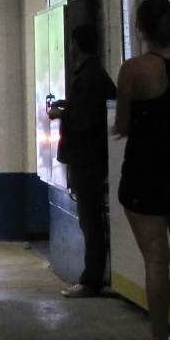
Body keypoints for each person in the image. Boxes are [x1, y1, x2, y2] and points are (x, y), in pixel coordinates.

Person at [114, 0, 170, 340]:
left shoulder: (133, 70)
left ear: (140, 30)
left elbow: (122, 125)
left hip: (146, 173)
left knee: (156, 259)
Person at [48, 24, 117, 298]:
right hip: (94, 159)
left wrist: (61, 115)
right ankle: (94, 276)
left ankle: (91, 280)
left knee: (90, 221)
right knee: (91, 219)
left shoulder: (87, 78)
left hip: (87, 160)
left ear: (75, 44)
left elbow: (86, 121)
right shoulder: (96, 76)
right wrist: (70, 106)